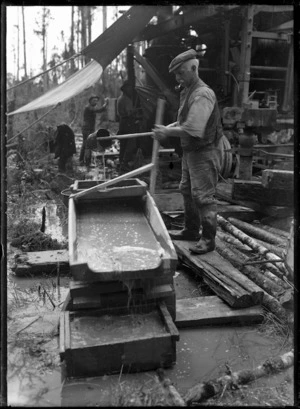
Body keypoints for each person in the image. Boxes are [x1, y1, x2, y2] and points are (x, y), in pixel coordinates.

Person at [153, 49, 224, 255]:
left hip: (205, 151)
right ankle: (191, 230)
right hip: (191, 151)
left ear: (194, 69)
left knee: (203, 196)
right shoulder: (188, 90)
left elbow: (194, 128)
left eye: (181, 73)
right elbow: (185, 121)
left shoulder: (202, 94)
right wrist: (168, 127)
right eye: (175, 74)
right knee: (187, 189)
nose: (177, 78)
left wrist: (167, 131)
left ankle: (208, 240)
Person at [117, 80, 143, 172]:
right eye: (129, 88)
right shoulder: (126, 99)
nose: (130, 90)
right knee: (130, 145)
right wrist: (137, 112)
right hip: (127, 124)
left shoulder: (121, 98)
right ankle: (124, 164)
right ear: (125, 89)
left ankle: (121, 163)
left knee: (124, 145)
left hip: (123, 124)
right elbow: (129, 113)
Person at [80, 95, 108, 166]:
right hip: (87, 129)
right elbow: (98, 110)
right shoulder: (88, 107)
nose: (95, 102)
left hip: (89, 128)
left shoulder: (91, 107)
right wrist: (105, 105)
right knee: (87, 145)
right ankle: (87, 162)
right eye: (94, 100)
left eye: (96, 100)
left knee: (86, 144)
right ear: (90, 101)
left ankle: (82, 160)